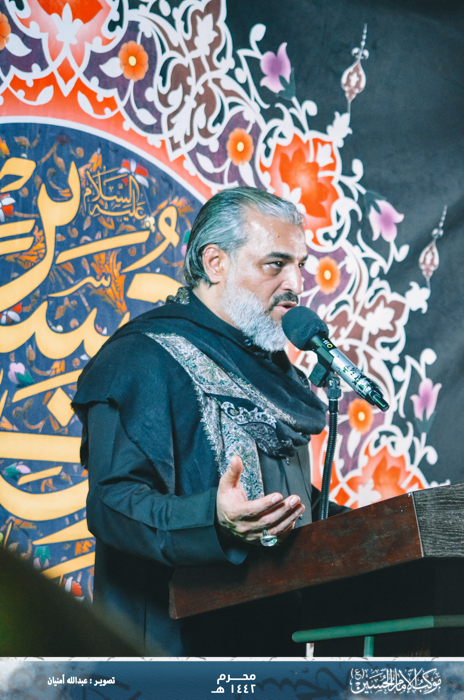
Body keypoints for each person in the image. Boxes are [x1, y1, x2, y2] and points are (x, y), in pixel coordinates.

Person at [73, 187, 348, 656]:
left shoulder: (271, 371)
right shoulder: (141, 358)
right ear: (216, 262)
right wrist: (213, 520)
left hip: (278, 652)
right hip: (170, 654)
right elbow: (112, 504)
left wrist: (382, 524)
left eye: (300, 265)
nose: (296, 284)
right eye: (275, 264)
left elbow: (286, 498)